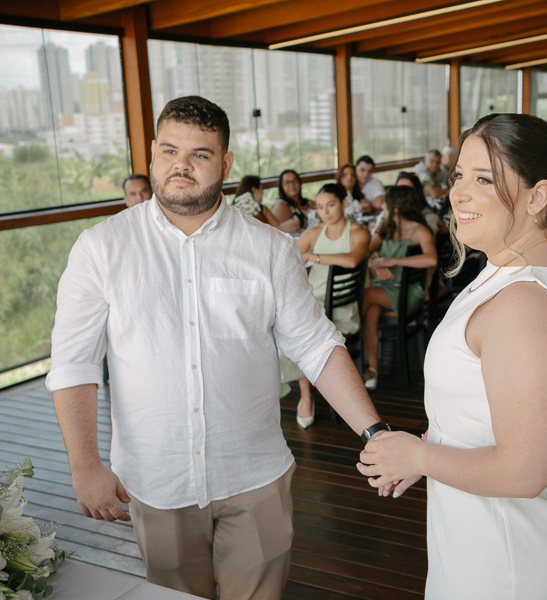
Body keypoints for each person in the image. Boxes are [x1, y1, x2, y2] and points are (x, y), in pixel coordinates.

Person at [47, 96, 390, 599]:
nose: (181, 165)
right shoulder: (101, 247)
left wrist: (374, 433)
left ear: (225, 164)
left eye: (200, 154)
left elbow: (317, 346)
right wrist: (85, 467)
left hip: (254, 475)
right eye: (169, 150)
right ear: (151, 156)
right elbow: (73, 364)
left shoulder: (270, 249)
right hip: (155, 479)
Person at [357, 113, 547, 598]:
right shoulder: (516, 264)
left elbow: (525, 469)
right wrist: (428, 453)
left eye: (484, 179)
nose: (458, 193)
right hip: (489, 534)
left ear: (538, 196)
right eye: (459, 175)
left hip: (510, 557)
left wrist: (418, 453)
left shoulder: (522, 300)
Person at [289, 183, 372, 428]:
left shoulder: (359, 232)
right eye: (320, 207)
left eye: (331, 205)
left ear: (344, 204)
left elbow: (352, 259)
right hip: (313, 303)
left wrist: (312, 257)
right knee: (290, 327)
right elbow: (288, 258)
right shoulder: (314, 233)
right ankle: (306, 394)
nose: (325, 211)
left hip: (341, 310)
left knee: (299, 332)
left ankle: (313, 396)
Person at [361, 185, 437, 390]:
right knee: (370, 313)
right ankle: (373, 370)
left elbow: (431, 259)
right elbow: (364, 252)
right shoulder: (385, 228)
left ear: (396, 207)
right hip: (383, 287)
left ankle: (345, 349)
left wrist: (392, 260)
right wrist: (376, 264)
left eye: (386, 202)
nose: (383, 206)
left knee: (363, 298)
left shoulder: (419, 230)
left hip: (408, 292)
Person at [272, 169, 311, 235]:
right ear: (282, 186)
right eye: (287, 182)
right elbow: (279, 234)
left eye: (294, 180)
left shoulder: (307, 202)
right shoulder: (281, 205)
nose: (292, 184)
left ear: (299, 182)